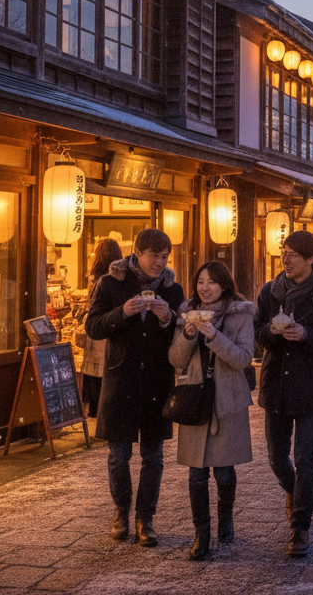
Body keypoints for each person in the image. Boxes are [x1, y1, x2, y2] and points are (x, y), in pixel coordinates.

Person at [85, 229, 185, 545]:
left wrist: (168, 317)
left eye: (165, 257)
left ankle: (145, 519)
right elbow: (93, 327)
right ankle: (121, 511)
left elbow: (183, 335)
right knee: (118, 455)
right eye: (154, 255)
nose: (160, 263)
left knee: (153, 456)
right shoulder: (111, 283)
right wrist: (123, 312)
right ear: (137, 253)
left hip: (157, 380)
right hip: (121, 379)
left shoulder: (172, 289)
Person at [255, 230, 313, 556]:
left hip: (310, 385)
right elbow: (257, 335)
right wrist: (273, 331)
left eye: (293, 254)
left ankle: (300, 527)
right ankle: (295, 492)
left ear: (311, 259)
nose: (286, 259)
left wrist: (306, 334)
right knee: (277, 457)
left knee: (306, 459)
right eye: (284, 252)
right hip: (276, 384)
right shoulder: (270, 291)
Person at [169, 261, 255, 561]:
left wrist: (214, 335)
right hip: (194, 400)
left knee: (224, 473)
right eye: (200, 282)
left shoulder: (241, 315)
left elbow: (243, 359)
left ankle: (225, 517)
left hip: (227, 401)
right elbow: (175, 359)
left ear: (224, 285)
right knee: (196, 474)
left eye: (212, 282)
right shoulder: (187, 313)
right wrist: (188, 335)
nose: (205, 288)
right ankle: (201, 534)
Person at [79, 238, 123, 418]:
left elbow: (92, 305)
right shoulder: (119, 278)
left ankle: (96, 409)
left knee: (96, 371)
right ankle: (105, 409)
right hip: (110, 328)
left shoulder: (97, 278)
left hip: (99, 329)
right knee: (106, 371)